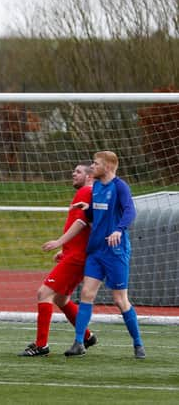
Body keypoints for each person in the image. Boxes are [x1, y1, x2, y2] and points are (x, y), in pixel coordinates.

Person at [64, 151, 145, 359]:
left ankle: (138, 343)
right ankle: (79, 342)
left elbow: (130, 211)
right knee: (86, 294)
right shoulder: (97, 187)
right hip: (96, 250)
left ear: (108, 167)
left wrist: (119, 230)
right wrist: (88, 208)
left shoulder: (120, 187)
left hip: (115, 252)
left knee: (120, 299)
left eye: (96, 163)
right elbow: (96, 214)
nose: (92, 166)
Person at [18, 163, 97, 357]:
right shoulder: (89, 192)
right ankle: (87, 336)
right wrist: (65, 250)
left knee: (44, 293)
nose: (73, 173)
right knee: (61, 298)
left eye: (78, 171)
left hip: (77, 257)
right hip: (76, 254)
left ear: (89, 176)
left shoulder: (86, 191)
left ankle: (41, 345)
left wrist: (60, 243)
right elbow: (84, 228)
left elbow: (82, 223)